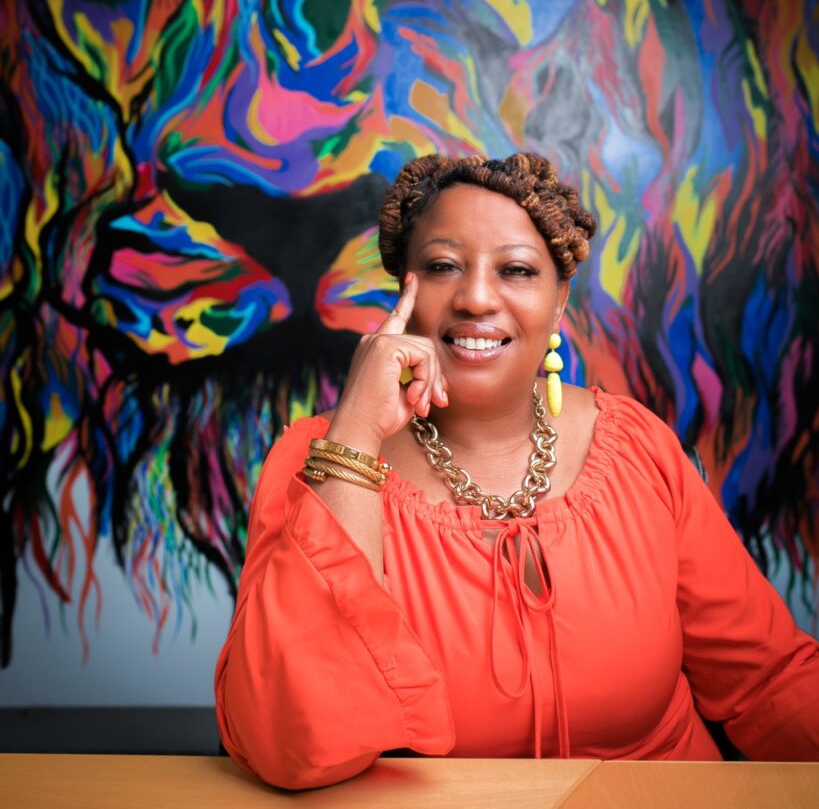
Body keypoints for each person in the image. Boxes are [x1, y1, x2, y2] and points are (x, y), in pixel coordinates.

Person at [214, 153, 819, 790]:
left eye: (517, 270)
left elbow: (767, 681)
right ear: (404, 291)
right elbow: (294, 738)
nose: (476, 297)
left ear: (558, 302)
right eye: (443, 266)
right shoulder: (319, 461)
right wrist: (357, 437)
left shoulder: (640, 446)